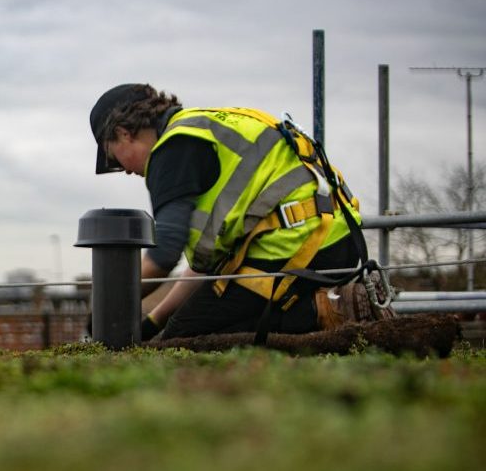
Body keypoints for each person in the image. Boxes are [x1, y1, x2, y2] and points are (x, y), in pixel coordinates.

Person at [88, 83, 363, 340]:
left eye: (114, 157)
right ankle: (329, 305)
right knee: (182, 328)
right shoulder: (202, 127)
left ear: (124, 132)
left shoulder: (173, 149)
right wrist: (155, 321)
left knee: (187, 339)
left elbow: (164, 253)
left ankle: (324, 311)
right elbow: (206, 268)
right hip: (334, 235)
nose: (123, 169)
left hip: (300, 242)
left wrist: (107, 305)